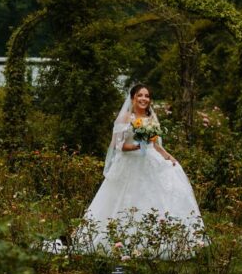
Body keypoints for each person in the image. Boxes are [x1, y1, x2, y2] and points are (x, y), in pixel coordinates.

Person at [81, 83, 204, 252]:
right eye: (140, 95)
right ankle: (121, 239)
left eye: (147, 96)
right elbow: (118, 146)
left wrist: (170, 157)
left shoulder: (152, 118)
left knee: (162, 191)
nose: (144, 99)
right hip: (130, 163)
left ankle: (160, 239)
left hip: (151, 161)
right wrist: (138, 146)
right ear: (133, 98)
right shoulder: (125, 118)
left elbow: (157, 146)